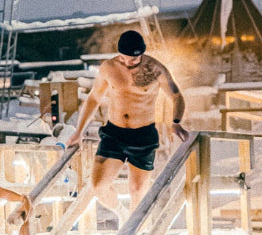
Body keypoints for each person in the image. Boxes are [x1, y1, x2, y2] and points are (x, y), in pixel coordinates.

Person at [65, 28, 188, 218]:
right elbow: (93, 98)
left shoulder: (156, 70)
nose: (127, 62)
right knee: (99, 187)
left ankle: (133, 231)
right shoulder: (109, 67)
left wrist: (176, 121)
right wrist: (79, 131)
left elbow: (176, 96)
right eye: (124, 58)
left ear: (141, 54)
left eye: (133, 59)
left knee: (138, 190)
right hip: (115, 133)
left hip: (143, 135)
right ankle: (121, 212)